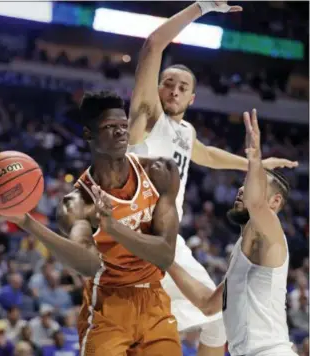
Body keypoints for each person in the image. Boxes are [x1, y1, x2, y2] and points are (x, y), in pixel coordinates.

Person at [128, 2, 298, 355]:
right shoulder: (146, 118)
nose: (173, 91)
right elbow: (153, 44)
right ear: (156, 89)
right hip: (134, 233)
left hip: (168, 239)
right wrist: (201, 7)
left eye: (182, 87)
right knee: (134, 329)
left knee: (219, 317)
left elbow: (206, 154)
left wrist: (255, 163)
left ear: (193, 98)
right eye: (167, 84)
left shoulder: (185, 132)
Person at [0, 91, 182, 356]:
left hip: (155, 302)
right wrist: (26, 221)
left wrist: (113, 228)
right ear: (88, 134)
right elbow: (88, 264)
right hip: (108, 306)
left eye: (123, 126)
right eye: (110, 127)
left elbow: (165, 256)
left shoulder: (160, 172)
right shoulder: (76, 202)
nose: (121, 133)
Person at [168, 109, 298, 356]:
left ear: (275, 202)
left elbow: (255, 203)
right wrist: (165, 259)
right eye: (244, 182)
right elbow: (207, 305)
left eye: (253, 183)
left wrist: (254, 157)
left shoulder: (273, 236)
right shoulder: (241, 249)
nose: (241, 188)